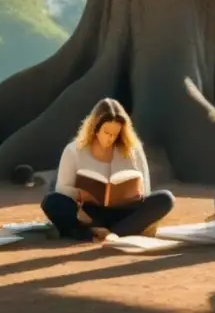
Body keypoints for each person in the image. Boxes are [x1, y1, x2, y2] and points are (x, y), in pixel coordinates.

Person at [42, 98, 175, 242]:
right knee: (51, 202)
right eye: (106, 132)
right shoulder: (74, 150)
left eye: (115, 134)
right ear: (95, 128)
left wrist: (136, 195)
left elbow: (146, 189)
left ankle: (109, 233)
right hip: (89, 213)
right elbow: (61, 188)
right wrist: (79, 193)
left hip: (124, 212)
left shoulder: (133, 150)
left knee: (166, 199)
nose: (110, 138)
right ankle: (96, 231)